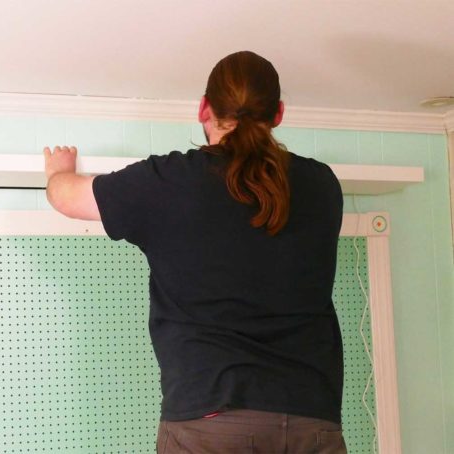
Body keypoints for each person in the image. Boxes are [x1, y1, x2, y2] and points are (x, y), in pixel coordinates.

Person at [43, 50, 346, 454]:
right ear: (278, 114)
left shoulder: (170, 182)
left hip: (212, 419)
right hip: (313, 420)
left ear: (204, 108)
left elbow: (68, 199)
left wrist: (59, 172)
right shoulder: (322, 185)